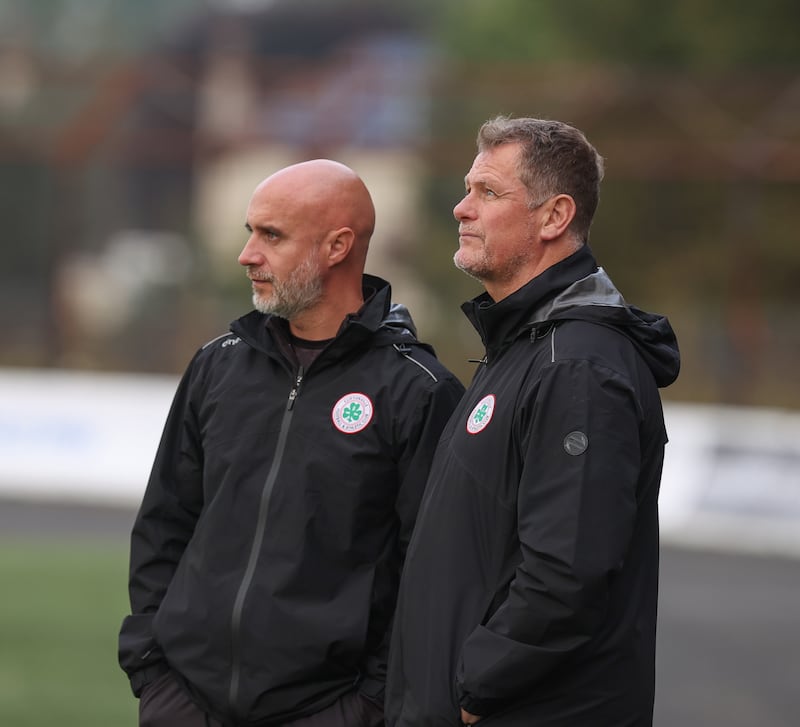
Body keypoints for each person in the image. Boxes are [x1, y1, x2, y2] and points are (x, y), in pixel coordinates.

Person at [118, 159, 465, 727]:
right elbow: (164, 523)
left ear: (338, 247)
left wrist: (367, 706)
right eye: (250, 232)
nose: (247, 254)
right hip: (184, 703)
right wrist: (153, 673)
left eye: (271, 235)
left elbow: (430, 577)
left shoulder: (419, 392)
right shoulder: (217, 365)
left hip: (328, 711)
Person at [385, 117, 680, 727]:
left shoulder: (577, 366)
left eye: (488, 193)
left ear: (554, 217)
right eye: (467, 189)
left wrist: (475, 689)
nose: (461, 208)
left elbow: (568, 568)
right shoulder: (524, 348)